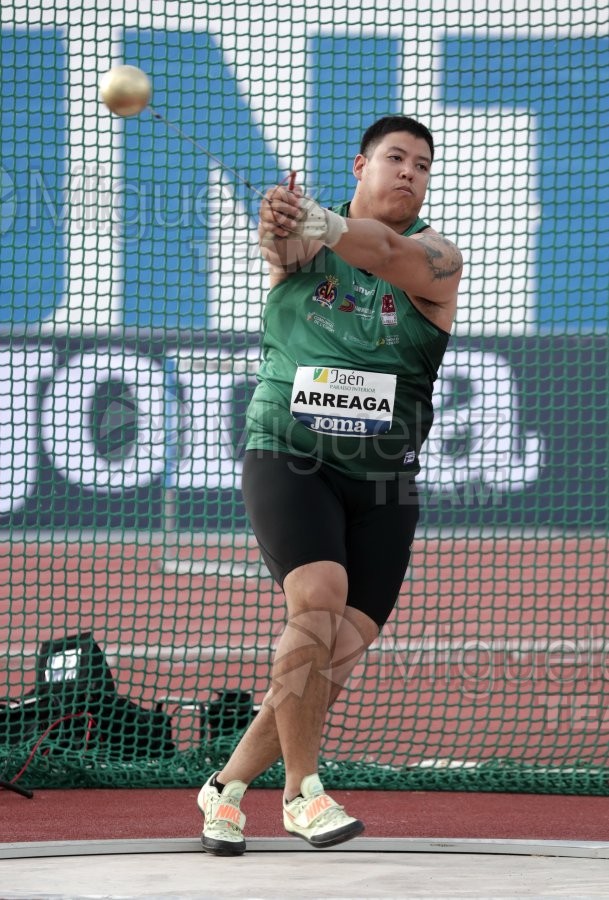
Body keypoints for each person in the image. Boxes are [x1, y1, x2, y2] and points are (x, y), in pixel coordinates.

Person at [197, 115, 463, 855]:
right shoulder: (311, 239)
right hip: (290, 451)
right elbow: (282, 249)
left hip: (381, 478)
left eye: (421, 165)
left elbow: (384, 253)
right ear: (360, 165)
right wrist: (281, 222)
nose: (408, 172)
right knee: (315, 603)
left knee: (334, 656)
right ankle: (301, 793)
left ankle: (224, 787)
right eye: (394, 158)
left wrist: (318, 219)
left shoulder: (437, 257)